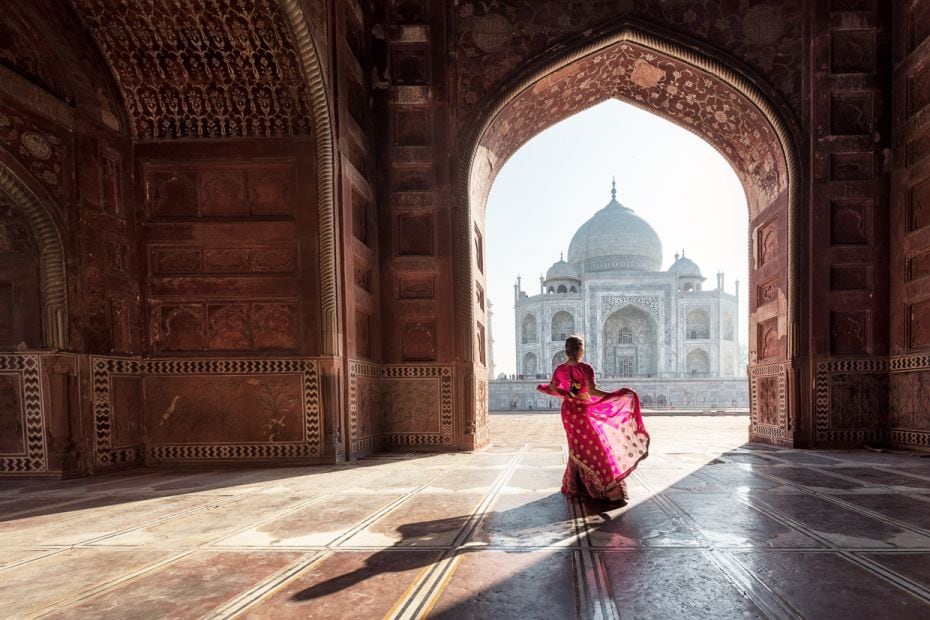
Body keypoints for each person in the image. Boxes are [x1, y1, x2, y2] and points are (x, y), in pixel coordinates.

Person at [537, 335, 650, 502]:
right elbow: (592, 392)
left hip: (568, 412)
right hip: (581, 410)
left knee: (577, 448)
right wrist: (614, 396)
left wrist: (563, 393)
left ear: (567, 350)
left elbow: (553, 388)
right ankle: (603, 486)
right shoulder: (585, 368)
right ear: (581, 350)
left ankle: (577, 485)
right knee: (595, 445)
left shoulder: (559, 369)